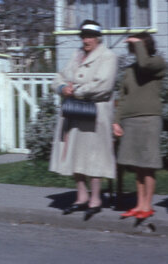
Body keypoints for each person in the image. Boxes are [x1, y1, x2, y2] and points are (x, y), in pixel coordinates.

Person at [50, 20, 117, 218]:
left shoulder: (108, 57)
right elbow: (59, 77)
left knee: (94, 156)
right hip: (74, 112)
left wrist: (75, 90)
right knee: (75, 154)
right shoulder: (76, 55)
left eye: (89, 36)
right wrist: (63, 88)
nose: (86, 40)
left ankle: (95, 199)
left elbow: (102, 85)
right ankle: (81, 197)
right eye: (83, 36)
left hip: (95, 113)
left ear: (98, 38)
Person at [112, 32, 166, 219]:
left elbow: (144, 64)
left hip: (149, 119)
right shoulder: (129, 70)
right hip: (130, 120)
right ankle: (140, 204)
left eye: (139, 44)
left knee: (148, 164)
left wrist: (138, 43)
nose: (135, 48)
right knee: (137, 166)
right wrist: (117, 121)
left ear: (145, 45)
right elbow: (123, 97)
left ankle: (147, 205)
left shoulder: (157, 62)